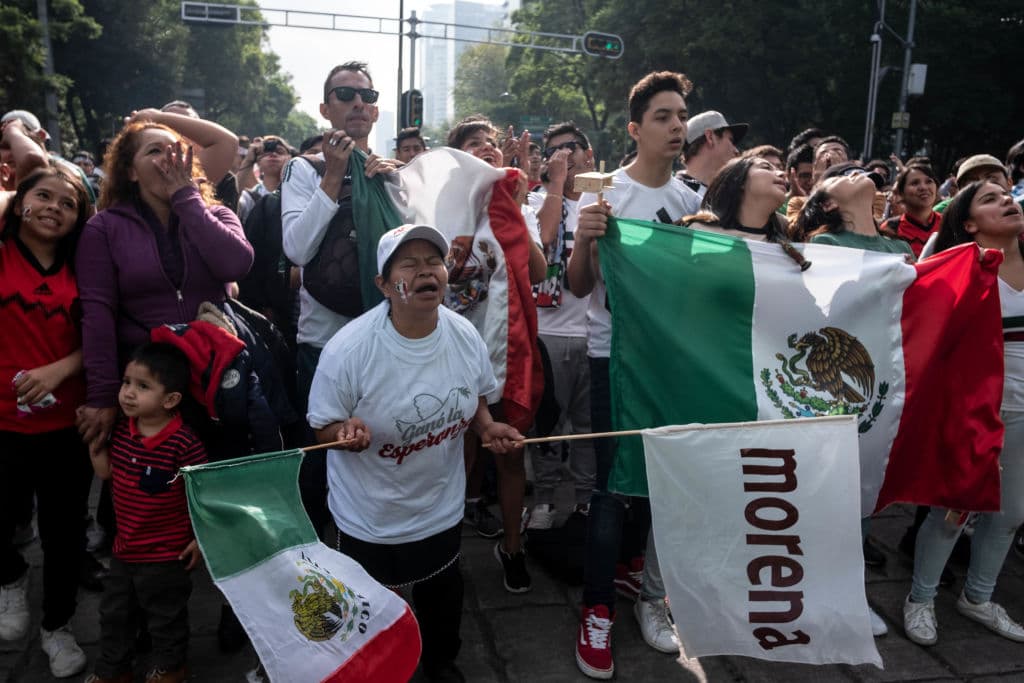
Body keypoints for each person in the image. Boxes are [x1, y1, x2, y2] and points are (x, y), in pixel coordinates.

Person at [307, 224, 524, 682]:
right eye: (409, 264)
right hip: (369, 514)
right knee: (370, 607)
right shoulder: (350, 350)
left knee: (442, 591)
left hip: (438, 505)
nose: (426, 271)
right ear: (384, 285)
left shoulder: (464, 335)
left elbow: (477, 395)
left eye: (434, 261)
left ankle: (441, 661)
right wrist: (341, 431)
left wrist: (487, 427)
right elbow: (321, 425)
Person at [568, 70, 700, 679]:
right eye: (663, 117)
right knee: (612, 488)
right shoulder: (602, 195)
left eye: (681, 116)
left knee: (664, 480)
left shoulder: (692, 202)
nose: (676, 126)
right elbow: (578, 287)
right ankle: (596, 610)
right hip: (613, 356)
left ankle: (650, 597)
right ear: (635, 128)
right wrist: (584, 244)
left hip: (670, 362)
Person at [75, 120, 253, 458]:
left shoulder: (217, 214)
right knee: (149, 499)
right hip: (147, 388)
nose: (168, 158)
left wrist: (187, 199)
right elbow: (97, 315)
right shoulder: (104, 228)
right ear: (130, 172)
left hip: (214, 379)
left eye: (175, 150)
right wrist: (102, 396)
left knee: (218, 489)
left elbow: (235, 264)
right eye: (155, 150)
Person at [280, 60, 401, 539]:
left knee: (378, 454)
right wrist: (333, 176)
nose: (357, 103)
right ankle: (316, 566)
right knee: (322, 461)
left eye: (366, 97)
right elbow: (297, 248)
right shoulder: (303, 169)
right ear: (326, 107)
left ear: (375, 111)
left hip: (383, 340)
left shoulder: (393, 174)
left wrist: (391, 185)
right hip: (324, 342)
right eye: (346, 94)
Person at [903, 180, 1024, 646]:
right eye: (990, 199)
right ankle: (919, 598)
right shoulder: (958, 270)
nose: (1007, 200)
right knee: (953, 509)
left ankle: (978, 597)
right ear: (968, 224)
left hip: (1023, 413)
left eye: (1006, 194)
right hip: (975, 412)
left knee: (1011, 514)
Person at [0, 164, 92, 678]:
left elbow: (99, 339)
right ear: (19, 200)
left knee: (64, 537)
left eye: (69, 202)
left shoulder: (84, 266)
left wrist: (59, 370)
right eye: (43, 196)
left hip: (65, 427)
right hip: (2, 425)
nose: (55, 207)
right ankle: (10, 578)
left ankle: (58, 627)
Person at [445, 114, 545, 592]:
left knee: (508, 453)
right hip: (454, 351)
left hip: (507, 352)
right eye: (473, 143)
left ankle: (512, 546)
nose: (485, 147)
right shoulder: (444, 209)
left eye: (491, 142)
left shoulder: (512, 204)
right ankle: (443, 553)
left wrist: (518, 207)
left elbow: (540, 272)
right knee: (455, 455)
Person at [86, 343, 208, 683]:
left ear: (170, 400)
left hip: (167, 555)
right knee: (115, 614)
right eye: (126, 382)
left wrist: (199, 539)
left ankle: (170, 667)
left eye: (142, 386)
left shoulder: (183, 443)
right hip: (125, 550)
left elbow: (204, 495)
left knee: (165, 616)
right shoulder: (124, 431)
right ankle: (114, 669)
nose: (128, 394)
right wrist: (96, 448)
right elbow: (107, 473)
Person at [526, 122, 597, 529]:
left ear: (588, 154)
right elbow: (543, 237)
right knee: (547, 424)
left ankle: (586, 499)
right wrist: (552, 185)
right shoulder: (538, 200)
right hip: (548, 330)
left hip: (593, 331)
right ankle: (546, 499)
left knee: (588, 428)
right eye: (555, 150)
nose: (565, 157)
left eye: (572, 148)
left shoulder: (607, 199)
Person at [685, 155, 789, 242]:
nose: (782, 174)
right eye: (766, 167)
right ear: (740, 180)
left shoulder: (792, 239)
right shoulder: (696, 234)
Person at [677, 110, 747, 198]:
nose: (736, 151)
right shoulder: (675, 195)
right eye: (731, 140)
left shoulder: (723, 198)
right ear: (710, 137)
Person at [881, 162, 942, 256]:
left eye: (929, 181)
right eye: (915, 183)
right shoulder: (889, 229)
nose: (923, 187)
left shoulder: (949, 224)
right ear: (901, 193)